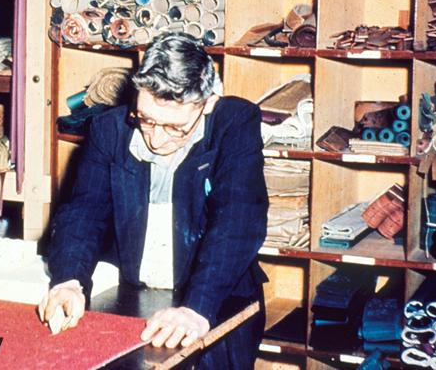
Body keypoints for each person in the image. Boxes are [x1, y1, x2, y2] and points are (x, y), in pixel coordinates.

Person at [38, 32, 268, 369]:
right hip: (134, 294)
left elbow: (237, 219)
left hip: (216, 295)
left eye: (175, 127)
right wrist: (69, 280)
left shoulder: (235, 121)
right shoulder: (109, 130)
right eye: (145, 119)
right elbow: (83, 213)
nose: (157, 139)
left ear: (208, 103)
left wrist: (196, 308)